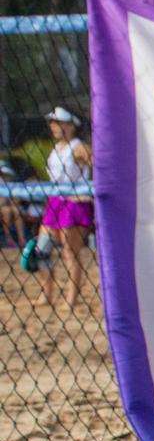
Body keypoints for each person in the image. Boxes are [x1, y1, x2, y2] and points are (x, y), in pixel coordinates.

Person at [24, 107, 92, 308]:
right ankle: (46, 295)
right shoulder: (56, 148)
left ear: (71, 125)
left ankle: (72, 298)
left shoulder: (79, 147)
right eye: (52, 122)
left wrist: (87, 191)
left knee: (70, 252)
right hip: (55, 201)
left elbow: (100, 168)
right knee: (42, 248)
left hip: (74, 203)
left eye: (59, 122)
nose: (54, 126)